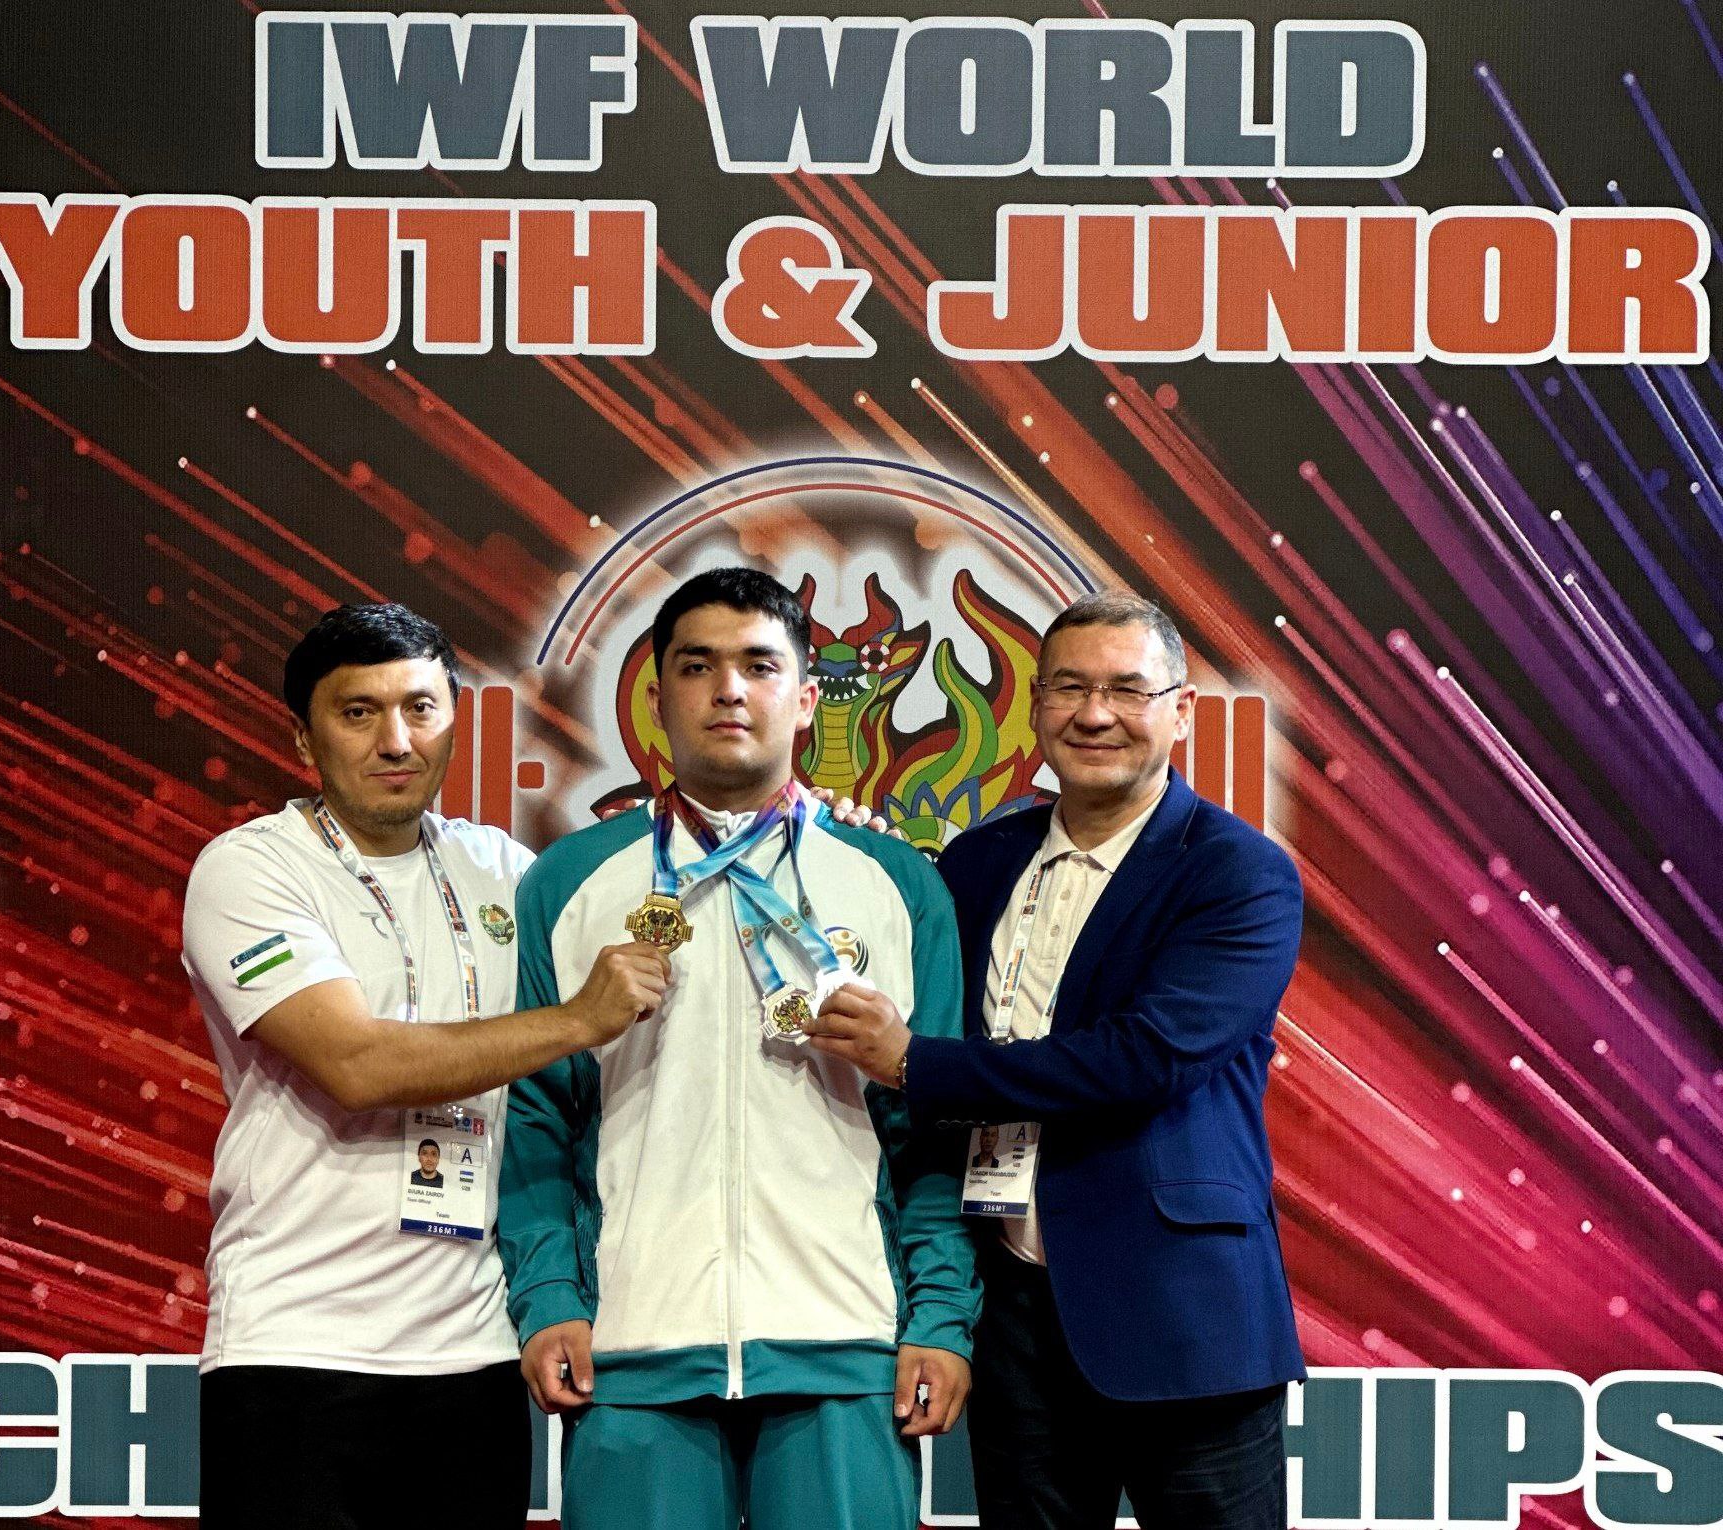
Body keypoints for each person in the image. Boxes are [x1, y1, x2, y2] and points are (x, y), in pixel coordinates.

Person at [804, 591, 1306, 1530]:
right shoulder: (978, 861)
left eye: (1127, 689)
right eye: (1069, 688)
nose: (1095, 713)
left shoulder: (1238, 871)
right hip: (1013, 1319)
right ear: (1034, 706)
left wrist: (918, 1064)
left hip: (1181, 1316)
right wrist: (831, 854)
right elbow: (908, 975)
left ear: (1180, 711)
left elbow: (1145, 1060)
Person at [497, 568, 980, 1530]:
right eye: (697, 666)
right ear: (657, 698)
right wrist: (550, 1295)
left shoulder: (894, 884)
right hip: (632, 1347)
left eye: (760, 666)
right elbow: (535, 1115)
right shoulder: (571, 882)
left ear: (805, 699)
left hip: (845, 1342)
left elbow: (935, 1124)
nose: (728, 690)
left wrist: (938, 1316)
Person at [180, 602, 671, 1529]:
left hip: (474, 1355)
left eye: (420, 708)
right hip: (294, 1346)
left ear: (454, 721)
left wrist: (821, 835)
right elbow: (357, 1063)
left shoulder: (505, 871)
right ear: (303, 737)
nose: (396, 740)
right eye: (358, 712)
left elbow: (669, 933)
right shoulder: (250, 870)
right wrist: (576, 1020)